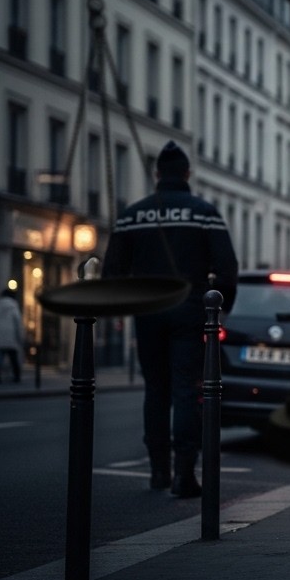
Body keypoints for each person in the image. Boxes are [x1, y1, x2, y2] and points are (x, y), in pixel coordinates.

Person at [102, 141, 238, 498]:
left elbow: (112, 271)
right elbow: (226, 269)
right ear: (187, 174)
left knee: (155, 390)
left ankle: (158, 470)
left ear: (157, 174)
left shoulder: (132, 215)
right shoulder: (204, 213)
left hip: (148, 311)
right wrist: (220, 309)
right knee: (185, 390)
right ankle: (183, 474)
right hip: (190, 310)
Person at [0, 287, 24, 384]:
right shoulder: (14, 307)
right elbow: (18, 323)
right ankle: (17, 376)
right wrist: (20, 337)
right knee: (13, 358)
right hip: (11, 336)